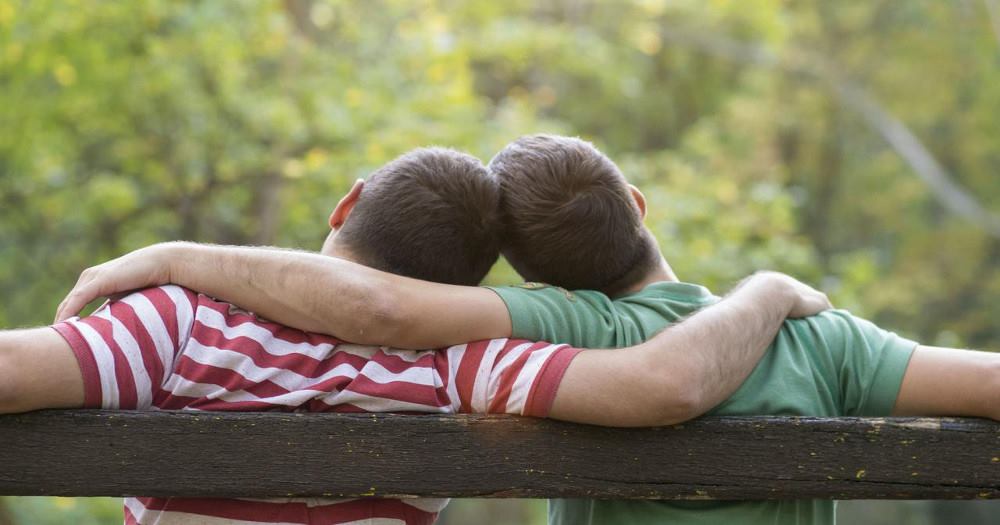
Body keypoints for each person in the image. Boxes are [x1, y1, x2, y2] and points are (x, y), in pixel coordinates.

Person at [60, 136, 1000, 525]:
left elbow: (379, 306)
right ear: (637, 203)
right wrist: (761, 291)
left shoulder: (558, 325)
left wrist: (174, 255)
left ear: (522, 277)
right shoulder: (824, 339)